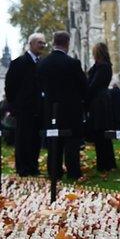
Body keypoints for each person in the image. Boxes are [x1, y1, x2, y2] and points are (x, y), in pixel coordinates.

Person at [37, 31, 88, 180]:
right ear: (67, 43)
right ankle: (73, 171)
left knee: (54, 141)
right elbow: (83, 86)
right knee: (72, 142)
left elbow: (39, 86)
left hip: (50, 110)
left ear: (53, 42)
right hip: (71, 110)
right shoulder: (72, 63)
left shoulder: (43, 63)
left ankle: (54, 171)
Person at [4, 32, 45, 176]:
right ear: (31, 44)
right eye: (40, 42)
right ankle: (22, 168)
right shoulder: (18, 63)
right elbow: (10, 87)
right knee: (23, 139)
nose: (43, 45)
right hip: (23, 109)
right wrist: (13, 107)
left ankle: (33, 166)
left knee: (35, 140)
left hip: (37, 109)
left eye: (44, 43)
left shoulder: (41, 63)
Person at [84, 42, 117, 171]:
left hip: (99, 102)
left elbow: (93, 85)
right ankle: (105, 162)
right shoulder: (101, 66)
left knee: (101, 133)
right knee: (100, 133)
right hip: (99, 101)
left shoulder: (103, 67)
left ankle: (105, 163)